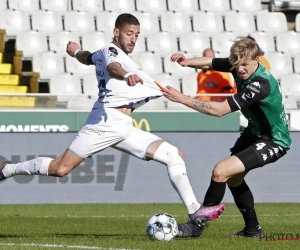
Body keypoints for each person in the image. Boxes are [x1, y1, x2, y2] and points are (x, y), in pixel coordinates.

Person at [0, 13, 225, 237]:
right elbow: (113, 68)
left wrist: (75, 51)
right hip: (105, 121)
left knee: (175, 155)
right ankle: (8, 169)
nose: (133, 39)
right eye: (129, 33)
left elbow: (88, 57)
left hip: (124, 125)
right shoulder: (111, 52)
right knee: (60, 169)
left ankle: (195, 213)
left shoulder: (103, 53)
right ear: (116, 32)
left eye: (137, 35)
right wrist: (126, 74)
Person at [163, 36, 291, 238]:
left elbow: (220, 110)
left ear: (256, 59)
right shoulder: (237, 63)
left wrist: (183, 99)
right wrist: (187, 62)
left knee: (220, 171)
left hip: (274, 140)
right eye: (237, 65)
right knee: (233, 179)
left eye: (245, 65)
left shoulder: (260, 84)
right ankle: (253, 230)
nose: (240, 70)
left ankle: (196, 226)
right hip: (254, 132)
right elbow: (210, 62)